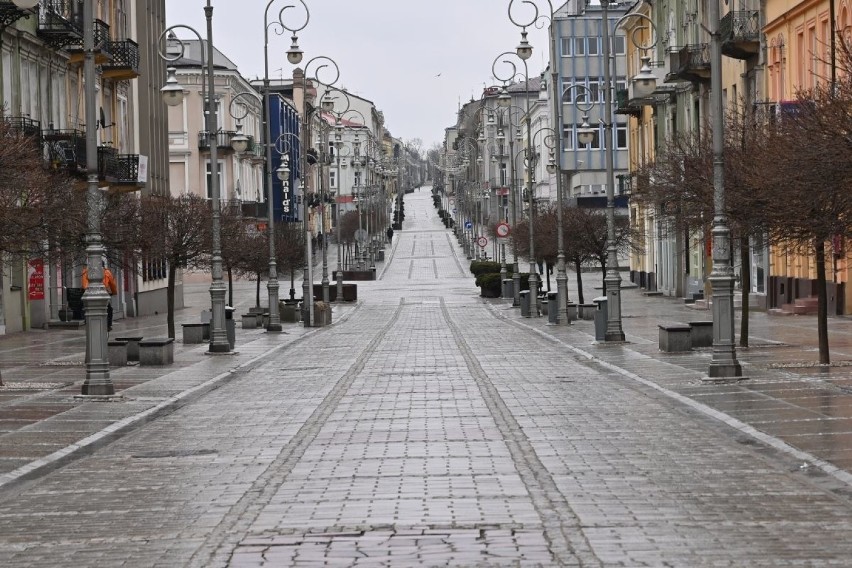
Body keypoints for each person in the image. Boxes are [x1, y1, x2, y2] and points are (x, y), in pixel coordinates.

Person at [82, 261, 118, 332]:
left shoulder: (86, 271)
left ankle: (87, 321)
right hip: (103, 293)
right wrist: (114, 292)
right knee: (109, 309)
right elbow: (112, 285)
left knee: (86, 308)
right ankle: (108, 325)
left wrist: (87, 290)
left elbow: (84, 285)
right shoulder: (106, 272)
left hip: (89, 293)